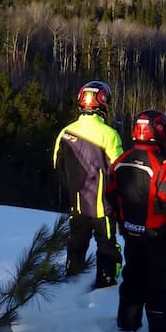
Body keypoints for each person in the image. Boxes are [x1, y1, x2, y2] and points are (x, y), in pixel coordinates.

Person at [106, 109, 166, 332]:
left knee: (132, 277)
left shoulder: (121, 161)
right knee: (159, 282)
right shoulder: (163, 166)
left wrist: (121, 222)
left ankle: (127, 321)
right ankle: (162, 330)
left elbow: (110, 195)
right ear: (159, 131)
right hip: (158, 238)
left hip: (132, 235)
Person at [53, 80, 123, 288]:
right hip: (103, 208)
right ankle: (106, 284)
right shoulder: (110, 134)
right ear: (103, 103)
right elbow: (120, 170)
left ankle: (71, 283)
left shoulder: (65, 132)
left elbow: (57, 166)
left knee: (76, 245)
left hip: (77, 205)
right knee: (107, 248)